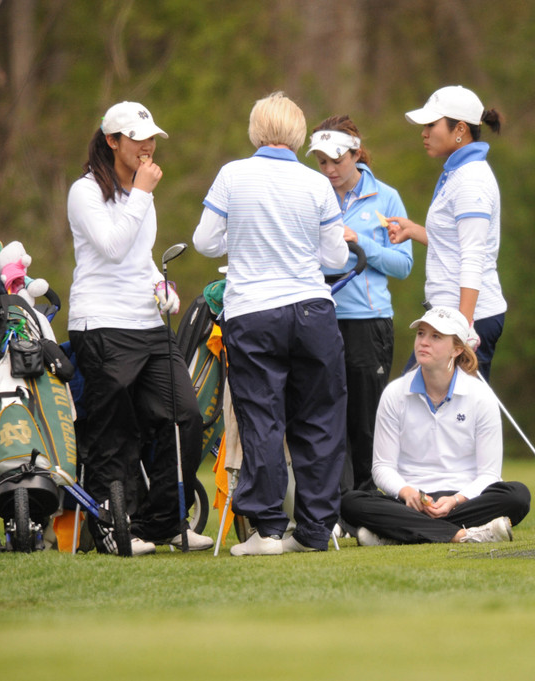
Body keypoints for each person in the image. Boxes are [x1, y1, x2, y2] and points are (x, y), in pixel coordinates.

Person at [192, 92, 350, 556]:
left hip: (254, 310)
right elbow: (336, 255)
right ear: (299, 136)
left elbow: (204, 241)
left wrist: (241, 239)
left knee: (261, 416)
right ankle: (316, 530)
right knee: (319, 419)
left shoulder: (232, 175)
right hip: (312, 310)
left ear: (256, 129)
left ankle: (266, 529)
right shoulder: (317, 183)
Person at [67, 101, 213, 555]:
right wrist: (143, 194)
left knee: (184, 416)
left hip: (147, 323)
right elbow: (111, 247)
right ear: (112, 141)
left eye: (151, 137)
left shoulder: (139, 192)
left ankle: (164, 521)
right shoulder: (85, 191)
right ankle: (114, 528)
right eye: (137, 138)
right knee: (114, 432)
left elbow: (137, 256)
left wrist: (160, 282)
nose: (148, 146)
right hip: (101, 323)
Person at [340, 306, 530, 545]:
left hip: (464, 501)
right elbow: (382, 468)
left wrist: (456, 499)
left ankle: (399, 533)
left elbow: (489, 474)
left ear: (457, 348)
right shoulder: (394, 393)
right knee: (350, 502)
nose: (424, 342)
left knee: (518, 496)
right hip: (409, 501)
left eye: (436, 336)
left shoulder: (481, 395)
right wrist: (407, 492)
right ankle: (462, 535)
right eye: (421, 334)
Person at [307, 115, 414, 493]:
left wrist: (359, 245)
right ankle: (333, 506)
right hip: (319, 317)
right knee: (325, 417)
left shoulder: (385, 198)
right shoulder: (312, 194)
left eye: (337, 160)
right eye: (322, 162)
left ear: (356, 153)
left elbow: (403, 265)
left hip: (368, 323)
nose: (330, 169)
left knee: (366, 422)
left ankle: (369, 508)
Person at [386, 85, 507, 381]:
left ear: (460, 129)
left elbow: (473, 257)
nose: (423, 133)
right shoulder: (457, 173)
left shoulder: (471, 181)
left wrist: (463, 330)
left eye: (431, 124)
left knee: (451, 418)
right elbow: (455, 244)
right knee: (419, 409)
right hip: (449, 318)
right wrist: (415, 231)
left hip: (466, 320)